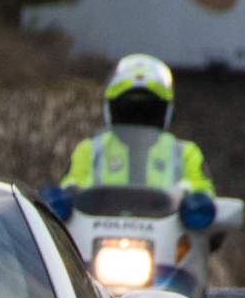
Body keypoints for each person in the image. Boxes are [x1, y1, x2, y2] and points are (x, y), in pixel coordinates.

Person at [61, 54, 215, 194]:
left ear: (165, 110)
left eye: (149, 109)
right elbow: (69, 189)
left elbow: (204, 195)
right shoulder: (91, 151)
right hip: (100, 225)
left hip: (164, 225)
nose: (138, 116)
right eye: (128, 108)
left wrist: (192, 198)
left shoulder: (185, 154)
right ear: (111, 108)